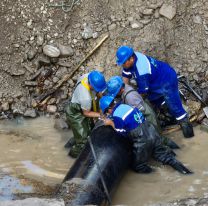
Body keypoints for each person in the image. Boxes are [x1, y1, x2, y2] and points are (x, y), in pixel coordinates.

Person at [99, 95, 192, 174]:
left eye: (106, 112)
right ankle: (187, 172)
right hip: (152, 132)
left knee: (138, 166)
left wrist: (111, 123)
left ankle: (156, 175)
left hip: (142, 140)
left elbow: (122, 133)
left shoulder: (117, 116)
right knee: (165, 157)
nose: (107, 113)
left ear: (109, 109)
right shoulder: (126, 106)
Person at [116, 46, 194, 138]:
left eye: (123, 63)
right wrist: (124, 92)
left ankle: (188, 133)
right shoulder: (131, 58)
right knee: (155, 100)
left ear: (131, 59)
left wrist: (132, 101)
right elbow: (126, 76)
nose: (123, 65)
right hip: (156, 78)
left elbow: (143, 93)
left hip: (167, 80)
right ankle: (169, 116)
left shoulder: (141, 71)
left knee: (175, 107)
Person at [106, 76, 179, 149]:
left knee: (157, 139)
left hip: (147, 117)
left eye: (115, 93)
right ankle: (176, 148)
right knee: (158, 138)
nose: (115, 95)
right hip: (145, 110)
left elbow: (140, 113)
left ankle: (171, 148)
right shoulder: (126, 87)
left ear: (121, 89)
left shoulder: (130, 97)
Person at [65, 70, 106, 158]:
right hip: (75, 112)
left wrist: (104, 100)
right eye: (96, 89)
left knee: (85, 131)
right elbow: (86, 113)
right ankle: (70, 157)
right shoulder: (85, 97)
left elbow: (99, 93)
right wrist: (101, 115)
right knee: (83, 142)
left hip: (83, 105)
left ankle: (69, 144)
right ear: (91, 85)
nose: (98, 91)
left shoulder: (87, 76)